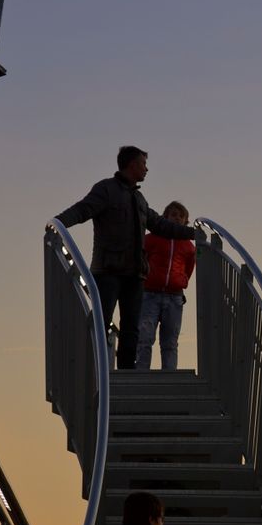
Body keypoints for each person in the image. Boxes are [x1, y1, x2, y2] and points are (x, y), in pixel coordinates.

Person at [55, 146, 195, 369]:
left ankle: (127, 373)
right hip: (108, 272)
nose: (146, 169)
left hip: (134, 275)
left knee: (131, 328)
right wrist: (58, 223)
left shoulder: (138, 198)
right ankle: (96, 371)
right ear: (132, 165)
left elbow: (159, 224)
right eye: (143, 164)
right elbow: (83, 210)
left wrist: (192, 233)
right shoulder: (106, 190)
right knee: (102, 323)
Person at [135, 201, 196, 371]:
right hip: (150, 294)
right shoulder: (152, 239)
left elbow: (189, 267)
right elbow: (141, 259)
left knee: (170, 341)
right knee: (145, 337)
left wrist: (182, 281)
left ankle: (169, 374)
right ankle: (141, 373)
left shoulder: (188, 246)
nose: (176, 218)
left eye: (180, 216)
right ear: (165, 217)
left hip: (174, 296)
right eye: (173, 215)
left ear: (186, 221)